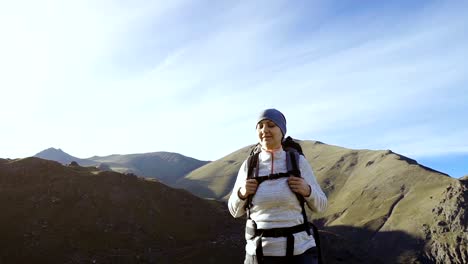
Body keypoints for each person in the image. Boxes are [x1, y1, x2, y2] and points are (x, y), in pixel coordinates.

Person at [228, 108, 328, 264]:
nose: (265, 130)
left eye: (271, 125)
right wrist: (242, 193)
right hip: (258, 254)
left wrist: (307, 190)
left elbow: (321, 206)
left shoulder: (298, 162)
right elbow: (234, 211)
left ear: (282, 131)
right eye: (260, 126)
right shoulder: (249, 166)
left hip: (299, 253)